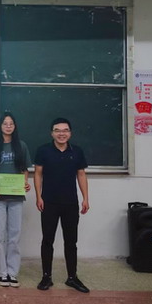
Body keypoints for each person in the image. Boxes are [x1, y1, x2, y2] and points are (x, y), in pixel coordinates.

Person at [34, 117, 90, 293]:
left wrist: (86, 198)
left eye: (65, 130)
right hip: (49, 202)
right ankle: (46, 276)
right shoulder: (43, 150)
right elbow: (38, 174)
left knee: (71, 242)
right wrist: (38, 196)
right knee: (47, 240)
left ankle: (72, 277)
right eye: (57, 130)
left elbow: (81, 174)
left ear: (70, 133)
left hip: (70, 203)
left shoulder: (77, 151)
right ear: (52, 133)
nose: (61, 134)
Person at [0, 112, 32, 288]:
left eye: (11, 123)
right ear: (0, 126)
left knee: (14, 235)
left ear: (15, 126)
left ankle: (12, 272)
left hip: (16, 196)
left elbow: (24, 169)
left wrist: (25, 183)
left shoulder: (21, 145)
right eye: (5, 123)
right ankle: (1, 272)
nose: (8, 126)